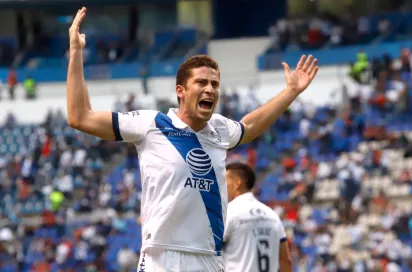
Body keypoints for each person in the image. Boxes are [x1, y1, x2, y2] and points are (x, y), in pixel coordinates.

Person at [66, 7, 318, 272]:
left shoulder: (219, 129)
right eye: (201, 83)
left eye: (215, 84)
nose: (210, 89)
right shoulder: (152, 124)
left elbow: (250, 126)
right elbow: (80, 117)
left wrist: (290, 92)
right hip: (161, 258)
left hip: (208, 260)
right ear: (181, 91)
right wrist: (76, 52)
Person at [223, 162, 292, 272]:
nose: (223, 187)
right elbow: (285, 260)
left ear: (237, 184)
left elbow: (210, 252)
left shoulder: (229, 212)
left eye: (225, 182)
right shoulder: (272, 215)